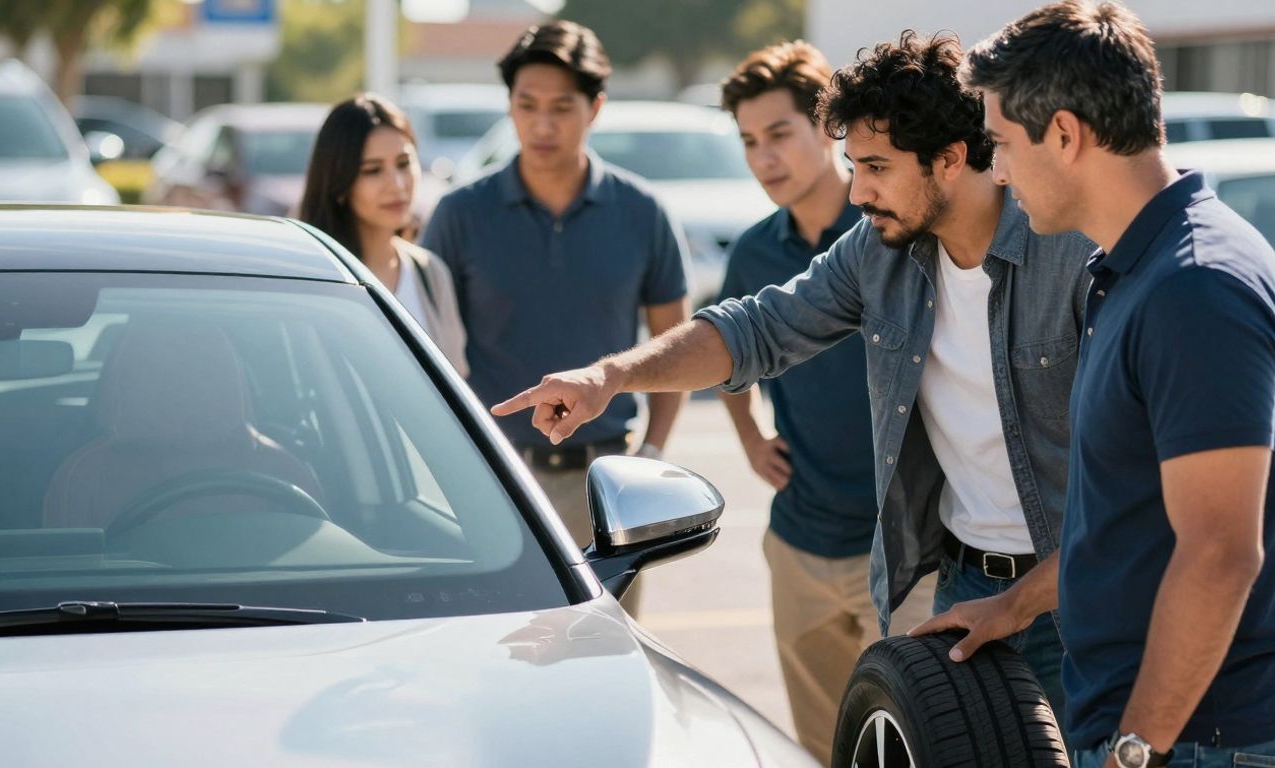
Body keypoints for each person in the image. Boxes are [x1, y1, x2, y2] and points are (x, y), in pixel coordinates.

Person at [490, 31, 1099, 720]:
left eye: (875, 166)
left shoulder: (1071, 252)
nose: (858, 190)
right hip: (958, 584)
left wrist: (1020, 604)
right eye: (852, 165)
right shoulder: (880, 250)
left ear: (952, 159)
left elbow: (1137, 479)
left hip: (1077, 594)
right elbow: (758, 328)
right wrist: (609, 376)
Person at [914, 3, 1275, 765]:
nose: (999, 170)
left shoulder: (1195, 287)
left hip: (1201, 743)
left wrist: (1134, 749)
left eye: (1003, 144)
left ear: (1067, 135)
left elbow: (1220, 551)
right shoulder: (1124, 272)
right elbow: (1129, 524)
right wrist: (1014, 604)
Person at [421, 21, 690, 616]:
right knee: (494, 657)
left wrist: (652, 453)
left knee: (606, 660)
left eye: (562, 108)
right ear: (510, 107)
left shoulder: (643, 212)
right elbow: (426, 350)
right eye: (527, 105)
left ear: (595, 108)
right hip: (491, 483)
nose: (543, 125)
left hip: (606, 485)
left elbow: (676, 346)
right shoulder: (459, 215)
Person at [714, 40, 935, 763]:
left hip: (903, 551)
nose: (763, 157)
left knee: (920, 744)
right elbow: (729, 351)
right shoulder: (750, 252)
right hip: (800, 545)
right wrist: (748, 435)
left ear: (826, 130)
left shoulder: (893, 229)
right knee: (825, 750)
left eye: (779, 134)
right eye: (749, 141)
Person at [299, 95, 467, 376]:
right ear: (339, 182)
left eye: (403, 163)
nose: (397, 184)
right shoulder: (309, 275)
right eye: (373, 170)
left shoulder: (429, 273)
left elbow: (455, 385)